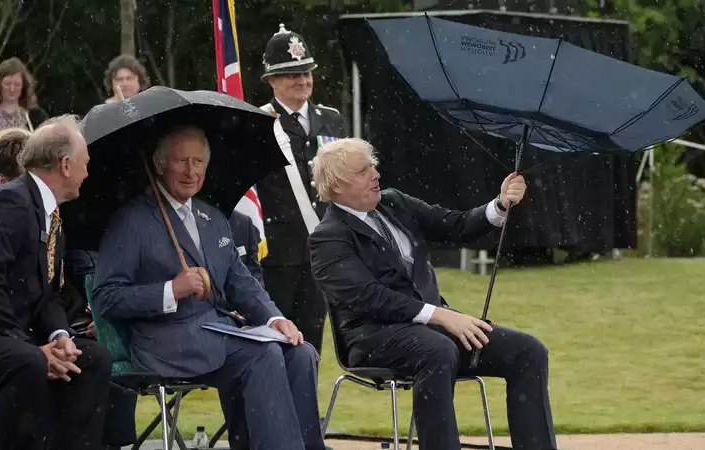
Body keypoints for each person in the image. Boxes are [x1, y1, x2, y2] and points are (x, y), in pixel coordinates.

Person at [309, 138, 557, 450]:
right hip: (373, 339)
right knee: (437, 349)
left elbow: (457, 226)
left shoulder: (394, 202)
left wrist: (500, 204)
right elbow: (369, 297)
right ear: (339, 184)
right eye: (364, 170)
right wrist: (441, 315)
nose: (375, 174)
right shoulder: (328, 237)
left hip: (434, 331)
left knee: (528, 351)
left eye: (373, 166)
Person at [92, 125, 325, 450]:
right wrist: (170, 290)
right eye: (181, 161)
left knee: (299, 352)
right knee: (263, 354)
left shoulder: (213, 217)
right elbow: (106, 297)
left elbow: (240, 282)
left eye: (198, 162)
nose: (191, 171)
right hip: (165, 342)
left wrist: (275, 320)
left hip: (218, 333)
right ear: (159, 165)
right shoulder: (130, 221)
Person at [0, 115, 111, 450]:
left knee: (91, 359)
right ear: (65, 165)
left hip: (17, 338)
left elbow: (49, 295)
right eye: (85, 164)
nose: (87, 173)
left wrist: (59, 337)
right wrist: (30, 345)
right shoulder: (9, 201)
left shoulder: (51, 215)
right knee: (30, 362)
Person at [256, 24, 348, 355]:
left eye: (306, 71)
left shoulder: (331, 119)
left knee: (312, 337)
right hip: (277, 252)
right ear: (272, 80)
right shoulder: (257, 122)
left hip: (320, 250)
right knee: (275, 339)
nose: (303, 80)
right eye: (292, 73)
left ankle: (307, 408)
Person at [0, 57, 48, 162]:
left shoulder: (36, 114)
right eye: (7, 84)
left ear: (23, 86)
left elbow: (48, 143)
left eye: (17, 84)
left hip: (28, 173)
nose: (12, 89)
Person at [229, 210, 265, 286]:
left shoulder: (244, 222)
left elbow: (254, 271)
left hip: (244, 294)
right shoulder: (201, 223)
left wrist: (260, 297)